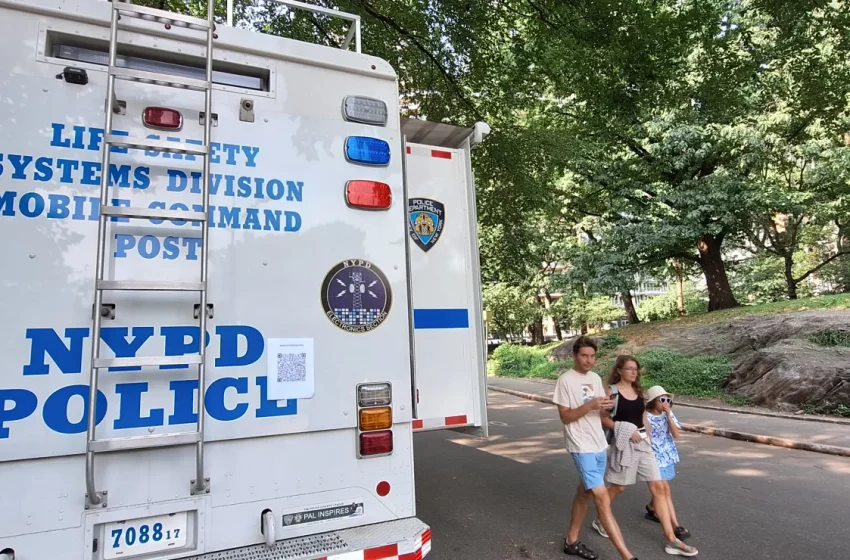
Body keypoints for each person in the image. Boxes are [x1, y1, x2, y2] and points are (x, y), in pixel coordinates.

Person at [592, 356, 698, 557]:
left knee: (658, 487)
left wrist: (646, 435)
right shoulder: (612, 392)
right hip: (623, 444)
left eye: (636, 369)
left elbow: (642, 417)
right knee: (618, 487)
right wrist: (624, 429)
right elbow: (604, 419)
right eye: (629, 369)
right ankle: (600, 519)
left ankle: (671, 540)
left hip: (643, 445)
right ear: (619, 371)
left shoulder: (639, 392)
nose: (633, 372)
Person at [553, 336, 639, 560]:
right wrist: (590, 404)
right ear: (574, 356)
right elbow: (565, 417)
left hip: (599, 442)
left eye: (592, 356)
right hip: (581, 445)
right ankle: (627, 556)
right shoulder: (565, 380)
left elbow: (600, 414)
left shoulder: (594, 377)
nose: (589, 360)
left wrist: (606, 407)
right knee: (601, 497)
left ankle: (571, 541)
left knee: (584, 494)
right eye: (584, 356)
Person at [644, 386, 692, 541]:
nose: (666, 403)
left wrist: (669, 415)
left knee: (662, 489)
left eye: (668, 400)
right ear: (653, 401)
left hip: (666, 455)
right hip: (652, 456)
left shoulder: (668, 414)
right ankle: (676, 526)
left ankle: (652, 508)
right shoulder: (645, 416)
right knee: (664, 489)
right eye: (662, 400)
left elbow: (676, 434)